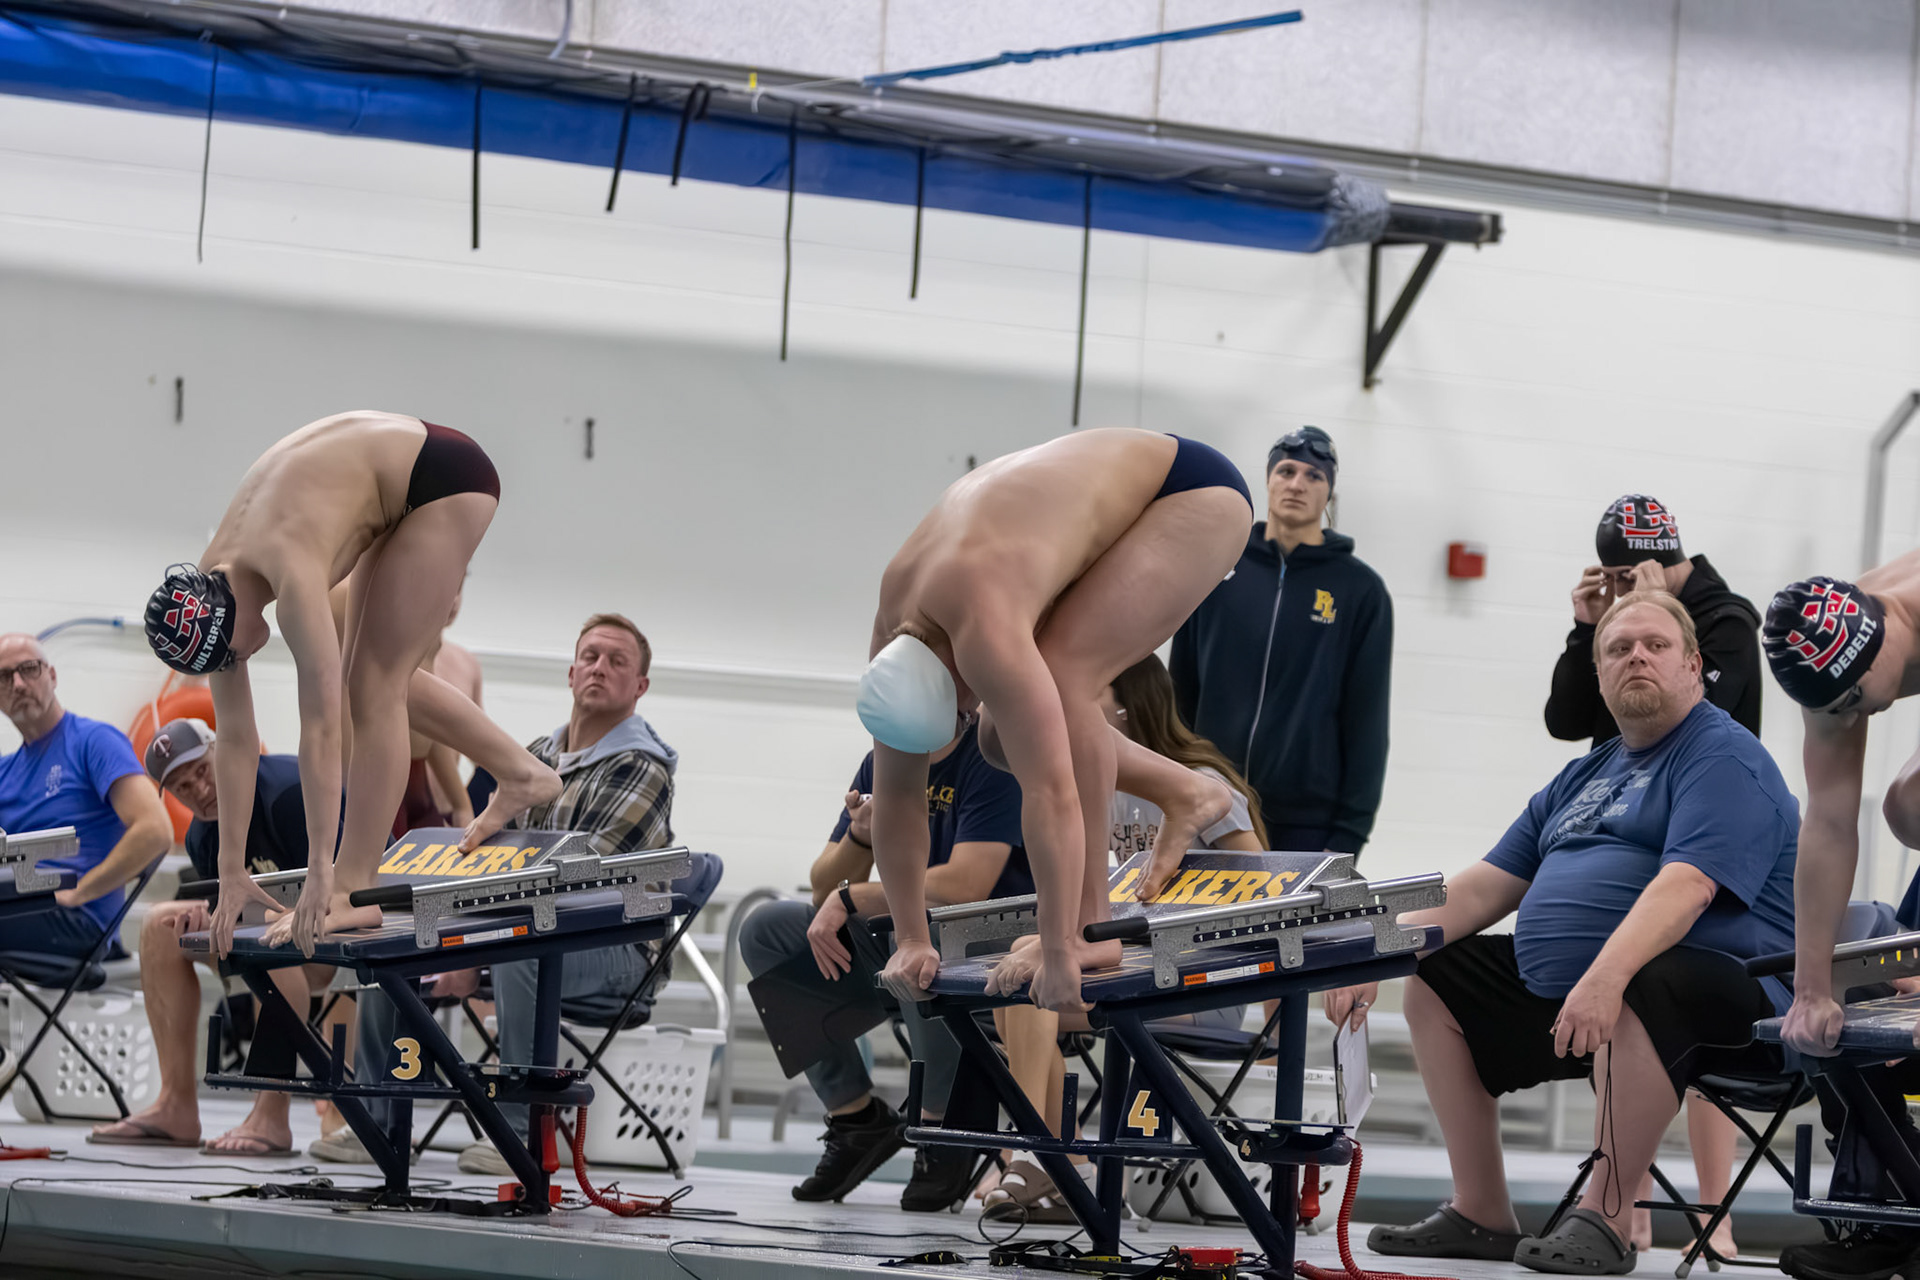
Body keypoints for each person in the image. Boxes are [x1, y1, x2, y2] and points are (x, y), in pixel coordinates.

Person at [1327, 592, 1797, 1276]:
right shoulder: (1586, 774)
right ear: (1600, 678)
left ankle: (1607, 1219)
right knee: (1435, 973)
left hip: (1735, 1007)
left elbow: (1687, 886)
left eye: (1656, 645)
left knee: (1645, 977)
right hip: (1589, 995)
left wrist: (1606, 976)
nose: (1637, 656)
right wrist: (1373, 949)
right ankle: (1481, 1210)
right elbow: (1482, 888)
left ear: (1694, 666)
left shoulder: (1722, 756)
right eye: (1619, 649)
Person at [858, 428, 1252, 1014]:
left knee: (1067, 684)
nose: (971, 711)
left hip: (1190, 490)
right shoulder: (893, 639)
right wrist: (911, 938)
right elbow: (896, 798)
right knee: (997, 739)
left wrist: (1061, 948)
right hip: (1083, 517)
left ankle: (1092, 931)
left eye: (962, 713)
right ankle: (1186, 790)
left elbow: (1052, 793)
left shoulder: (984, 627)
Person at [140, 411, 561, 959]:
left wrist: (322, 870)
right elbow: (237, 740)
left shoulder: (292, 579)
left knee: (372, 686)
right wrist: (231, 869)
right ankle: (523, 772)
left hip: (443, 475)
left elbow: (321, 731)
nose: (236, 663)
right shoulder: (207, 592)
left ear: (227, 614)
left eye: (231, 655)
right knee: (372, 678)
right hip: (388, 482)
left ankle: (353, 888)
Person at [329, 614, 680, 1175]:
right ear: (571, 673)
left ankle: (518, 1133)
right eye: (590, 656)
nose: (599, 668)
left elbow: (584, 878)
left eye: (618, 662)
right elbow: (489, 857)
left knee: (526, 944)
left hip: (617, 947)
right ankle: (379, 1116)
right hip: (524, 928)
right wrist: (462, 940)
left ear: (640, 686)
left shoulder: (644, 766)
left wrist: (479, 949)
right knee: (392, 944)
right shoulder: (533, 755)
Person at [1544, 494, 1763, 1258]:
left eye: (1630, 573)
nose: (1637, 649)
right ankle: (1625, 1201)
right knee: (1622, 1006)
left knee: (1694, 1027)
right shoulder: (1619, 627)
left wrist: (1648, 607)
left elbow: (1695, 710)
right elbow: (1565, 721)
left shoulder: (1725, 620)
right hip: (1632, 835)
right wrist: (1587, 627)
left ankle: (1715, 1211)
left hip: (1710, 840)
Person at [983, 654, 1265, 1222]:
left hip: (1200, 976)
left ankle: (1037, 1153)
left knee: (1031, 987)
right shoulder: (1097, 784)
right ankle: (1059, 1163)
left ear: (1126, 710)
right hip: (1131, 966)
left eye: (1090, 695)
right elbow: (1091, 899)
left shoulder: (1203, 785)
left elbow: (1262, 888)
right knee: (1019, 984)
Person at [739, 711, 1029, 1210]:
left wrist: (854, 897)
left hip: (996, 947)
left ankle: (943, 1124)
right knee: (767, 929)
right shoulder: (883, 761)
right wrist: (859, 837)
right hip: (907, 939)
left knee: (916, 931)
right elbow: (822, 887)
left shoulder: (992, 756)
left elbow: (966, 886)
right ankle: (856, 1119)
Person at [88, 720, 351, 1156]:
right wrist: (205, 917)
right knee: (161, 926)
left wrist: (264, 918)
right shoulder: (202, 835)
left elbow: (353, 888)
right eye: (182, 787)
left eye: (202, 771)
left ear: (221, 751)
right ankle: (175, 1104)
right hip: (282, 943)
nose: (199, 789)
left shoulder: (289, 793)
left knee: (265, 934)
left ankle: (272, 1115)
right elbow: (234, 913)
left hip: (356, 933)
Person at [1762, 564, 1920, 1280]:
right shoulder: (1830, 658)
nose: (1851, 714)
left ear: (1884, 630)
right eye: (1835, 707)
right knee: (1863, 1001)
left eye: (1856, 697)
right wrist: (1812, 988)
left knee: (1907, 805)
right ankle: (1893, 1214)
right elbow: (1827, 824)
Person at [1169, 426, 1392, 857]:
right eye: (1287, 471)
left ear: (1329, 493)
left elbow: (1367, 719)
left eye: (1314, 476)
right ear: (1269, 479)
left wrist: (1348, 835)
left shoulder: (1360, 590)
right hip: (1211, 807)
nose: (1297, 484)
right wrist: (1174, 785)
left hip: (1308, 824)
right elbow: (1179, 691)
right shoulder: (1218, 566)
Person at [0, 633, 172, 957]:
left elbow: (156, 831)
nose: (18, 684)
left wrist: (79, 892)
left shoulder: (94, 742)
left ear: (52, 676)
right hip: (17, 908)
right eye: (4, 677)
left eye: (29, 669)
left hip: (78, 919)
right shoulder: (4, 772)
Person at [1546, 494, 1761, 743]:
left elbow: (1686, 725)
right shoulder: (1624, 624)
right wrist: (1586, 631)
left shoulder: (1729, 624)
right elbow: (1566, 725)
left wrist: (1655, 612)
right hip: (1624, 767)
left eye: (1626, 576)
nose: (1619, 592)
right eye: (1610, 578)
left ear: (1661, 564)